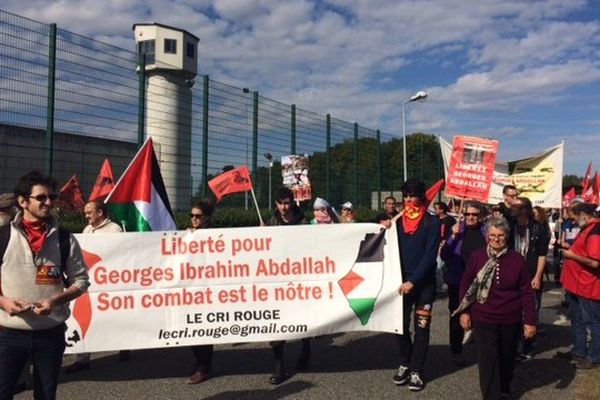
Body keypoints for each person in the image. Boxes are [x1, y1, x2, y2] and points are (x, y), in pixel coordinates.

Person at [0, 170, 90, 400]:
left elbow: (81, 281)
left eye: (52, 197)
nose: (49, 202)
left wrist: (54, 300)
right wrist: (3, 302)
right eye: (41, 198)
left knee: (46, 395)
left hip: (50, 333)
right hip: (9, 334)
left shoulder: (64, 238)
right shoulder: (2, 236)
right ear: (22, 202)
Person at [456, 217, 536, 399]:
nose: (496, 239)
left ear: (507, 236)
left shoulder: (517, 260)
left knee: (506, 357)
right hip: (483, 317)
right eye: (492, 235)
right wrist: (464, 312)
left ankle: (505, 388)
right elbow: (466, 285)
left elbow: (526, 292)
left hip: (510, 318)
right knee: (487, 360)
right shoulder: (477, 257)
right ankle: (491, 395)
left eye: (500, 235)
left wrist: (530, 321)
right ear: (487, 236)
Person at [389, 179, 441, 391]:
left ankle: (417, 371)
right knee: (398, 327)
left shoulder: (432, 222)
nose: (409, 200)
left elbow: (430, 256)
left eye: (413, 196)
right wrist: (385, 227)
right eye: (406, 196)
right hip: (401, 284)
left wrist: (413, 280)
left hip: (423, 284)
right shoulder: (398, 221)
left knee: (421, 327)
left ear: (421, 197)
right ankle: (405, 362)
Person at [64, 200, 125, 373]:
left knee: (113, 317)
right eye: (85, 212)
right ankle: (82, 358)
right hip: (90, 280)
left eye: (89, 212)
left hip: (108, 281)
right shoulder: (87, 230)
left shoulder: (115, 230)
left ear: (100, 213)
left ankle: (124, 344)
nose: (86, 216)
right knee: (85, 317)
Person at [266, 188, 310, 384]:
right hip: (277, 279)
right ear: (276, 203)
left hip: (299, 277)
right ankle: (279, 365)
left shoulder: (303, 221)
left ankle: (306, 347)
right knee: (276, 321)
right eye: (280, 203)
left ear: (292, 203)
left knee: (303, 317)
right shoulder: (270, 221)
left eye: (287, 203)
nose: (284, 207)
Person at [440, 200, 487, 366]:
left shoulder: (486, 232)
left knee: (481, 315)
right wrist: (452, 236)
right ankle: (456, 350)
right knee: (456, 316)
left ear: (480, 216)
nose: (470, 217)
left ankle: (484, 350)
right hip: (458, 281)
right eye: (467, 214)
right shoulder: (457, 231)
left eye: (474, 214)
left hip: (481, 283)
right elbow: (444, 255)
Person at [559, 202, 600, 369]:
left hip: (587, 285)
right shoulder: (587, 228)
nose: (574, 222)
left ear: (584, 214)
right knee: (578, 320)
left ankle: (594, 357)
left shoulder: (595, 231)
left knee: (593, 322)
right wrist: (572, 249)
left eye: (575, 218)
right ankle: (579, 352)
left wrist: (572, 256)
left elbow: (595, 263)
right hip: (577, 284)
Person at [509, 196, 549, 359]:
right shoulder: (510, 227)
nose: (511, 208)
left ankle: (527, 347)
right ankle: (514, 344)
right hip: (513, 275)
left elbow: (542, 254)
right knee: (513, 310)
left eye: (515, 206)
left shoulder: (538, 228)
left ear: (524, 209)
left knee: (531, 310)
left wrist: (538, 276)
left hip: (531, 274)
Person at [186, 200, 216, 384]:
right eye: (192, 216)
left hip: (206, 289)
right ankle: (199, 362)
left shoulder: (211, 234)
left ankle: (203, 367)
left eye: (198, 216)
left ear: (206, 217)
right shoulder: (189, 233)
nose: (194, 219)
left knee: (203, 329)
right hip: (191, 289)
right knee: (190, 328)